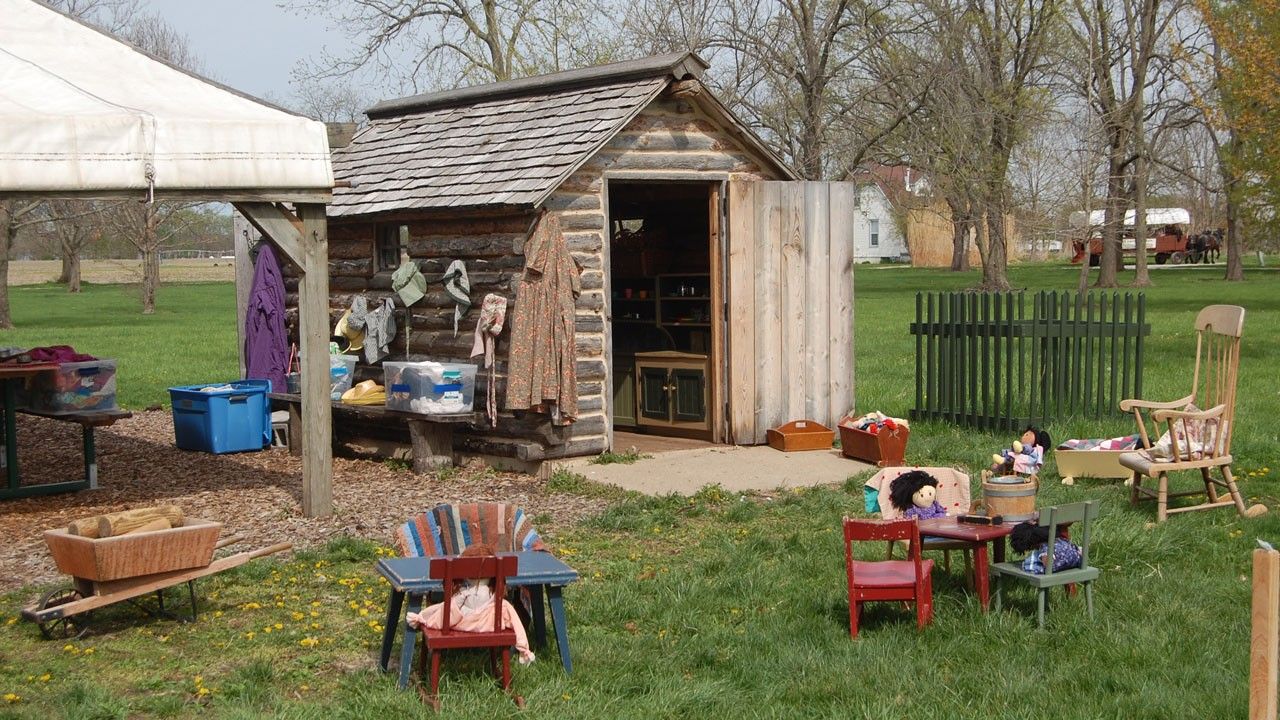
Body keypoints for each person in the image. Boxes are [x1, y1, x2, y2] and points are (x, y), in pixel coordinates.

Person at [406, 542, 535, 664]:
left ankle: (420, 621)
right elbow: (514, 619)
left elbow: (446, 611)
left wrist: (424, 618)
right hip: (489, 625)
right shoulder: (498, 603)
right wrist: (523, 647)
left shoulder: (462, 595)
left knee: (444, 609)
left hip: (462, 624)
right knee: (506, 608)